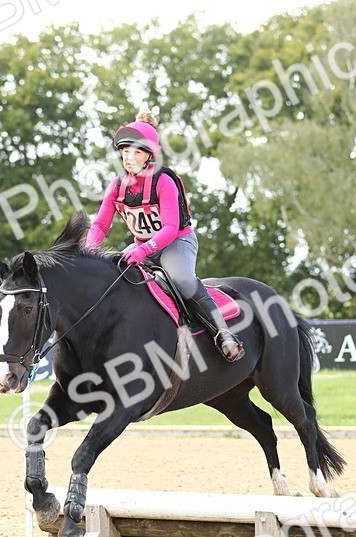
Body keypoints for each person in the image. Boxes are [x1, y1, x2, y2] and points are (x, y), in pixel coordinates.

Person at [85, 111, 244, 362]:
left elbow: (169, 228)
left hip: (176, 242)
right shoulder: (116, 186)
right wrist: (88, 250)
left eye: (136, 152)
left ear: (149, 155)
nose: (129, 158)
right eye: (125, 152)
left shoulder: (163, 181)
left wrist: (141, 251)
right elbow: (100, 225)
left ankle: (223, 333)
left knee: (181, 279)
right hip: (143, 246)